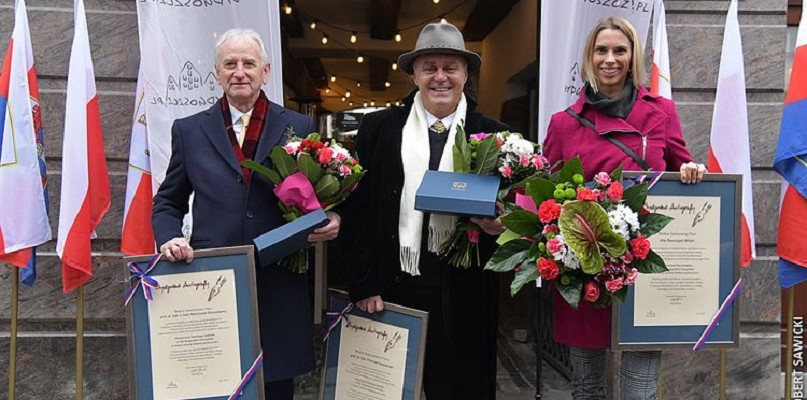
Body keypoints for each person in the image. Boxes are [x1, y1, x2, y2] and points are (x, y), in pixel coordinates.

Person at [151, 28, 341, 400]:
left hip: (278, 279)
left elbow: (317, 195)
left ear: (266, 72)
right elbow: (168, 201)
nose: (240, 71)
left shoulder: (298, 127)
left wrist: (332, 217)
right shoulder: (189, 131)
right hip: (212, 282)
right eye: (230, 64)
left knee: (276, 388)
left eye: (249, 63)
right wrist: (169, 236)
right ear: (217, 73)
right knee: (217, 387)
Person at [543, 16, 706, 400]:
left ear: (633, 56)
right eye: (602, 50)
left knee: (640, 391)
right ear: (589, 56)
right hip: (583, 271)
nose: (610, 59)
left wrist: (692, 170)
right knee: (587, 387)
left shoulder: (661, 112)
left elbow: (682, 165)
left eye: (620, 50)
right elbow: (546, 196)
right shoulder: (563, 124)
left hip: (642, 269)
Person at [342, 22, 508, 399]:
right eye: (429, 67)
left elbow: (514, 215)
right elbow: (356, 210)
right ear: (414, 74)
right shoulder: (379, 129)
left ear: (466, 74)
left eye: (450, 67)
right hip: (391, 288)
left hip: (465, 296)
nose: (440, 77)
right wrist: (363, 283)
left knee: (460, 389)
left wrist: (501, 224)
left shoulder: (495, 135)